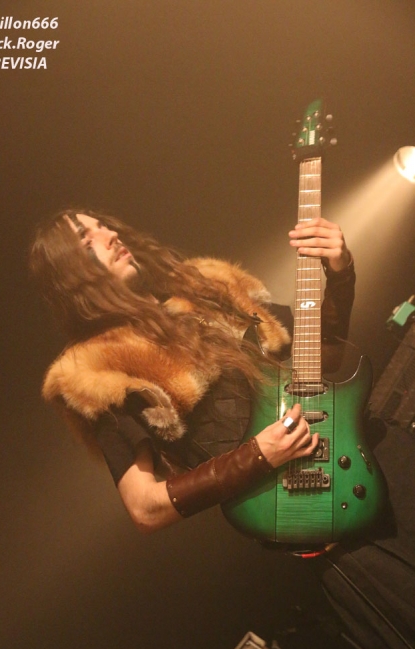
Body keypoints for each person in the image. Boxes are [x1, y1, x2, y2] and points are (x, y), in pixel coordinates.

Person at [29, 210, 355, 534]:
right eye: (87, 240)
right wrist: (257, 456)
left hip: (349, 453)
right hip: (291, 506)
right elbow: (145, 509)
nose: (110, 235)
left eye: (102, 226)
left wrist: (341, 273)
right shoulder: (98, 370)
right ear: (70, 276)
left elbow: (325, 357)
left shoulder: (204, 286)